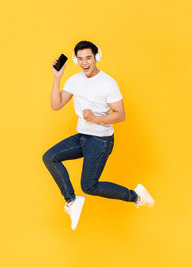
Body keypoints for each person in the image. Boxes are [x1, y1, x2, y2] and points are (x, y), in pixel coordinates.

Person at [42, 40, 155, 230]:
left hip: (101, 141)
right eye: (80, 58)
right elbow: (56, 105)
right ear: (75, 60)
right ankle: (71, 201)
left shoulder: (108, 83)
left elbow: (121, 115)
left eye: (88, 57)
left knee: (89, 186)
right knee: (49, 157)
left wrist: (94, 118)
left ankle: (136, 196)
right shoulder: (74, 80)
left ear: (96, 58)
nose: (84, 62)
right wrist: (57, 78)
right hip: (82, 137)